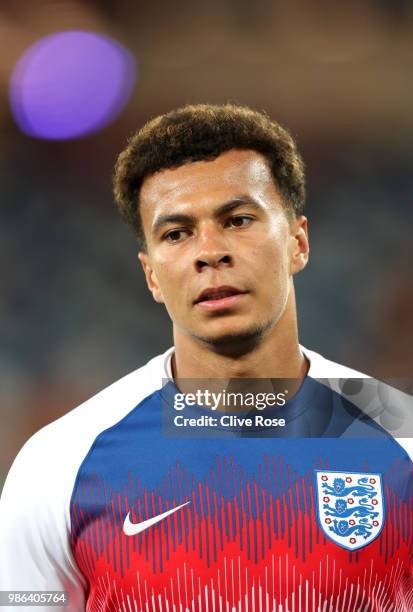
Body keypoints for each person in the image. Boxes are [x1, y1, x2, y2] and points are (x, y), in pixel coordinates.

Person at [0, 104, 411, 611]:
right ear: (151, 274)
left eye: (237, 220)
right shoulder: (58, 461)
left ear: (298, 242)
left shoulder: (401, 432)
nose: (209, 251)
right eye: (177, 233)